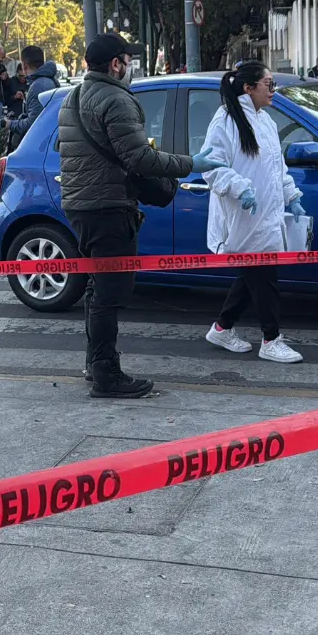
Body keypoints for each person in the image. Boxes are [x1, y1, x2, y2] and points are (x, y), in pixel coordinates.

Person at [59, 32, 225, 399]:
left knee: (96, 288)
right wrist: (190, 163)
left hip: (81, 206)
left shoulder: (73, 97)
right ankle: (107, 375)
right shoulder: (116, 99)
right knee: (110, 293)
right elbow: (140, 159)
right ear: (116, 64)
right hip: (107, 207)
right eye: (128, 60)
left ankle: (94, 364)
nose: (131, 67)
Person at [201, 61, 306, 364]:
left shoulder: (266, 122)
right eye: (269, 85)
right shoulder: (226, 120)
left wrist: (292, 195)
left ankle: (222, 328)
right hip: (242, 215)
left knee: (254, 276)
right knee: (263, 276)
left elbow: (277, 168)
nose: (274, 91)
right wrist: (240, 188)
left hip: (266, 214)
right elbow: (212, 167)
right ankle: (271, 339)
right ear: (249, 89)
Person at [11, 45, 60, 149]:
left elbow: (33, 124)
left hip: (41, 146)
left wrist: (9, 124)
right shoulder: (48, 80)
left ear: (24, 66)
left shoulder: (39, 86)